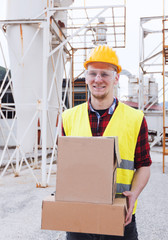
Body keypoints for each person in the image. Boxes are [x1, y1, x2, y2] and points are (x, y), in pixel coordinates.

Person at [62, 45, 152, 240]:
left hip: (120, 215)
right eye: (92, 73)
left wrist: (134, 194)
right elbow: (65, 169)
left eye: (105, 74)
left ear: (116, 78)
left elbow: (144, 165)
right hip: (79, 217)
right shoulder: (68, 118)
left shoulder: (135, 118)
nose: (98, 79)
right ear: (85, 77)